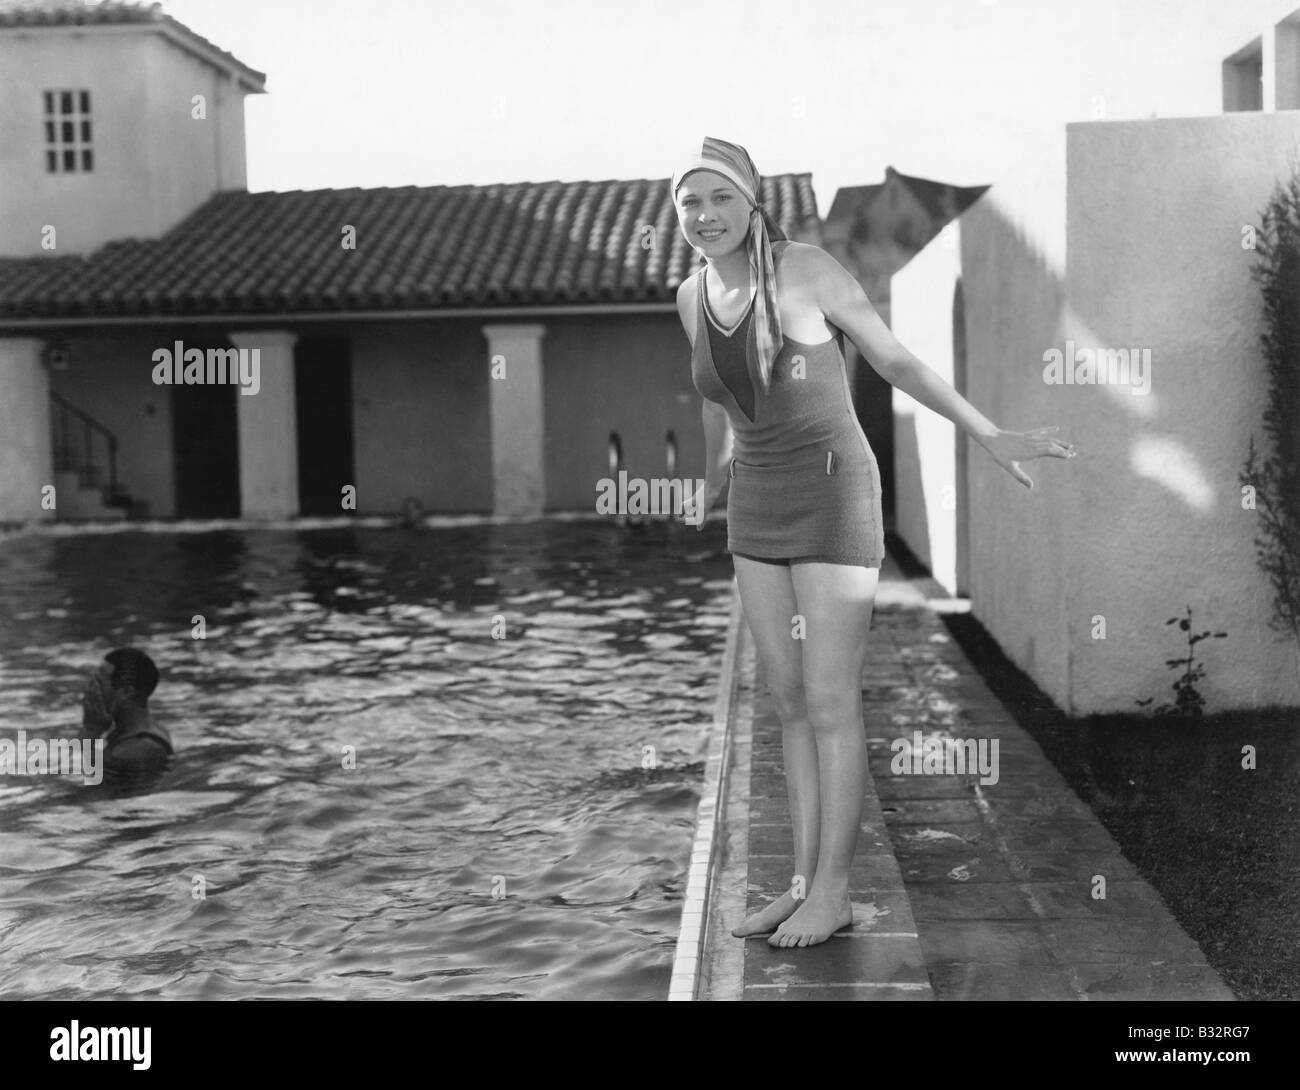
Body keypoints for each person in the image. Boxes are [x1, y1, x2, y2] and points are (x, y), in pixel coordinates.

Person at [671, 136, 1075, 948]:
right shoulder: (689, 296)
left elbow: (892, 359)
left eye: (719, 197)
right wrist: (705, 486)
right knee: (784, 702)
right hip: (756, 503)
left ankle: (837, 891)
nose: (704, 215)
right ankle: (800, 882)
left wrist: (988, 433)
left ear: (751, 201)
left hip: (830, 491)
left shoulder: (807, 269)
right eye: (689, 202)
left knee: (828, 700)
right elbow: (721, 406)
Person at [82, 648, 172, 778]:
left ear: (126, 692)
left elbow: (81, 779)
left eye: (99, 683)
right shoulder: (128, 734)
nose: (91, 690)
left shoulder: (137, 749)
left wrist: (90, 729)